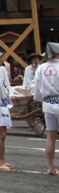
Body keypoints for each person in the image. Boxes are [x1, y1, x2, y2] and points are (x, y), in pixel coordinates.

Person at [33, 41, 59, 175]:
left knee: (50, 136)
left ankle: (51, 167)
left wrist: (39, 99)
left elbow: (37, 89)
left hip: (48, 104)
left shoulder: (41, 68)